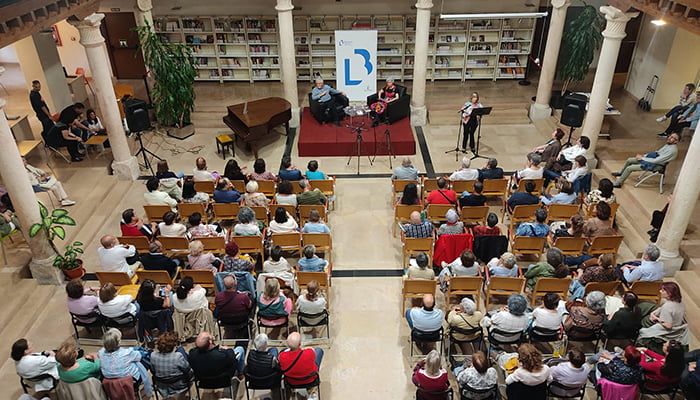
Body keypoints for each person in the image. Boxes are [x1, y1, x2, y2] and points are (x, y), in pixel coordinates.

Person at [612, 132, 680, 187]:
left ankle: (618, 183)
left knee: (630, 168)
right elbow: (657, 153)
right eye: (671, 136)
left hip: (656, 165)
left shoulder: (672, 151)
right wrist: (643, 156)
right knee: (629, 160)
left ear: (676, 141)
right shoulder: (668, 145)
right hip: (652, 160)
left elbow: (657, 160)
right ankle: (621, 173)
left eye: (674, 138)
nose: (670, 138)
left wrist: (643, 158)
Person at [99, 328, 153, 396]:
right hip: (132, 381)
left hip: (110, 383)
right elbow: (139, 356)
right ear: (118, 342)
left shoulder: (101, 353)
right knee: (143, 359)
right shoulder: (127, 353)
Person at [637, 282, 688, 351]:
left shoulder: (667, 307)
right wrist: (654, 313)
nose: (660, 291)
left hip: (668, 330)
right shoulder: (680, 302)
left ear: (669, 293)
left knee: (644, 326)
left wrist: (656, 319)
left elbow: (668, 325)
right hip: (678, 326)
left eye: (663, 290)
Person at [150, 331, 193, 398]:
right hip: (179, 386)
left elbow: (153, 371)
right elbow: (188, 371)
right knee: (181, 350)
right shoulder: (178, 357)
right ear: (173, 345)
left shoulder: (153, 355)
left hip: (162, 387)